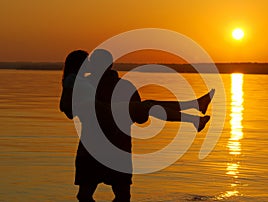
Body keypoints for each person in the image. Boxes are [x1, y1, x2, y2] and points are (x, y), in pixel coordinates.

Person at [59, 49, 214, 202]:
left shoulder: (83, 81)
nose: (89, 66)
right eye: (87, 62)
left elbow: (69, 111)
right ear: (111, 65)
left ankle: (195, 112)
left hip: (93, 145)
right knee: (121, 195)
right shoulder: (95, 83)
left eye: (91, 62)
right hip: (116, 143)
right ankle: (195, 111)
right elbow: (141, 120)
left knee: (87, 195)